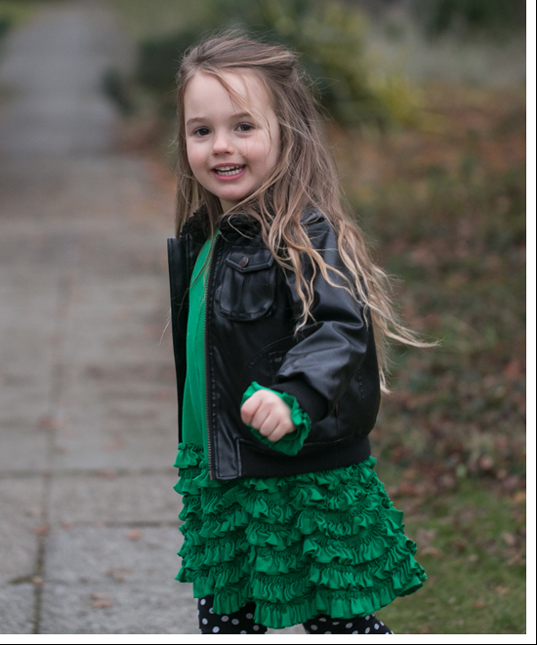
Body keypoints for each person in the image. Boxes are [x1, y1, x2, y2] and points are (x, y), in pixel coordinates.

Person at [167, 33, 428, 634]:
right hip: (228, 472)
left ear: (287, 131)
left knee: (338, 622)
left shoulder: (304, 234)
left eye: (243, 127)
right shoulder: (209, 237)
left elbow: (340, 327)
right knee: (229, 620)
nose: (220, 146)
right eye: (201, 130)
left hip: (299, 475)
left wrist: (295, 397)